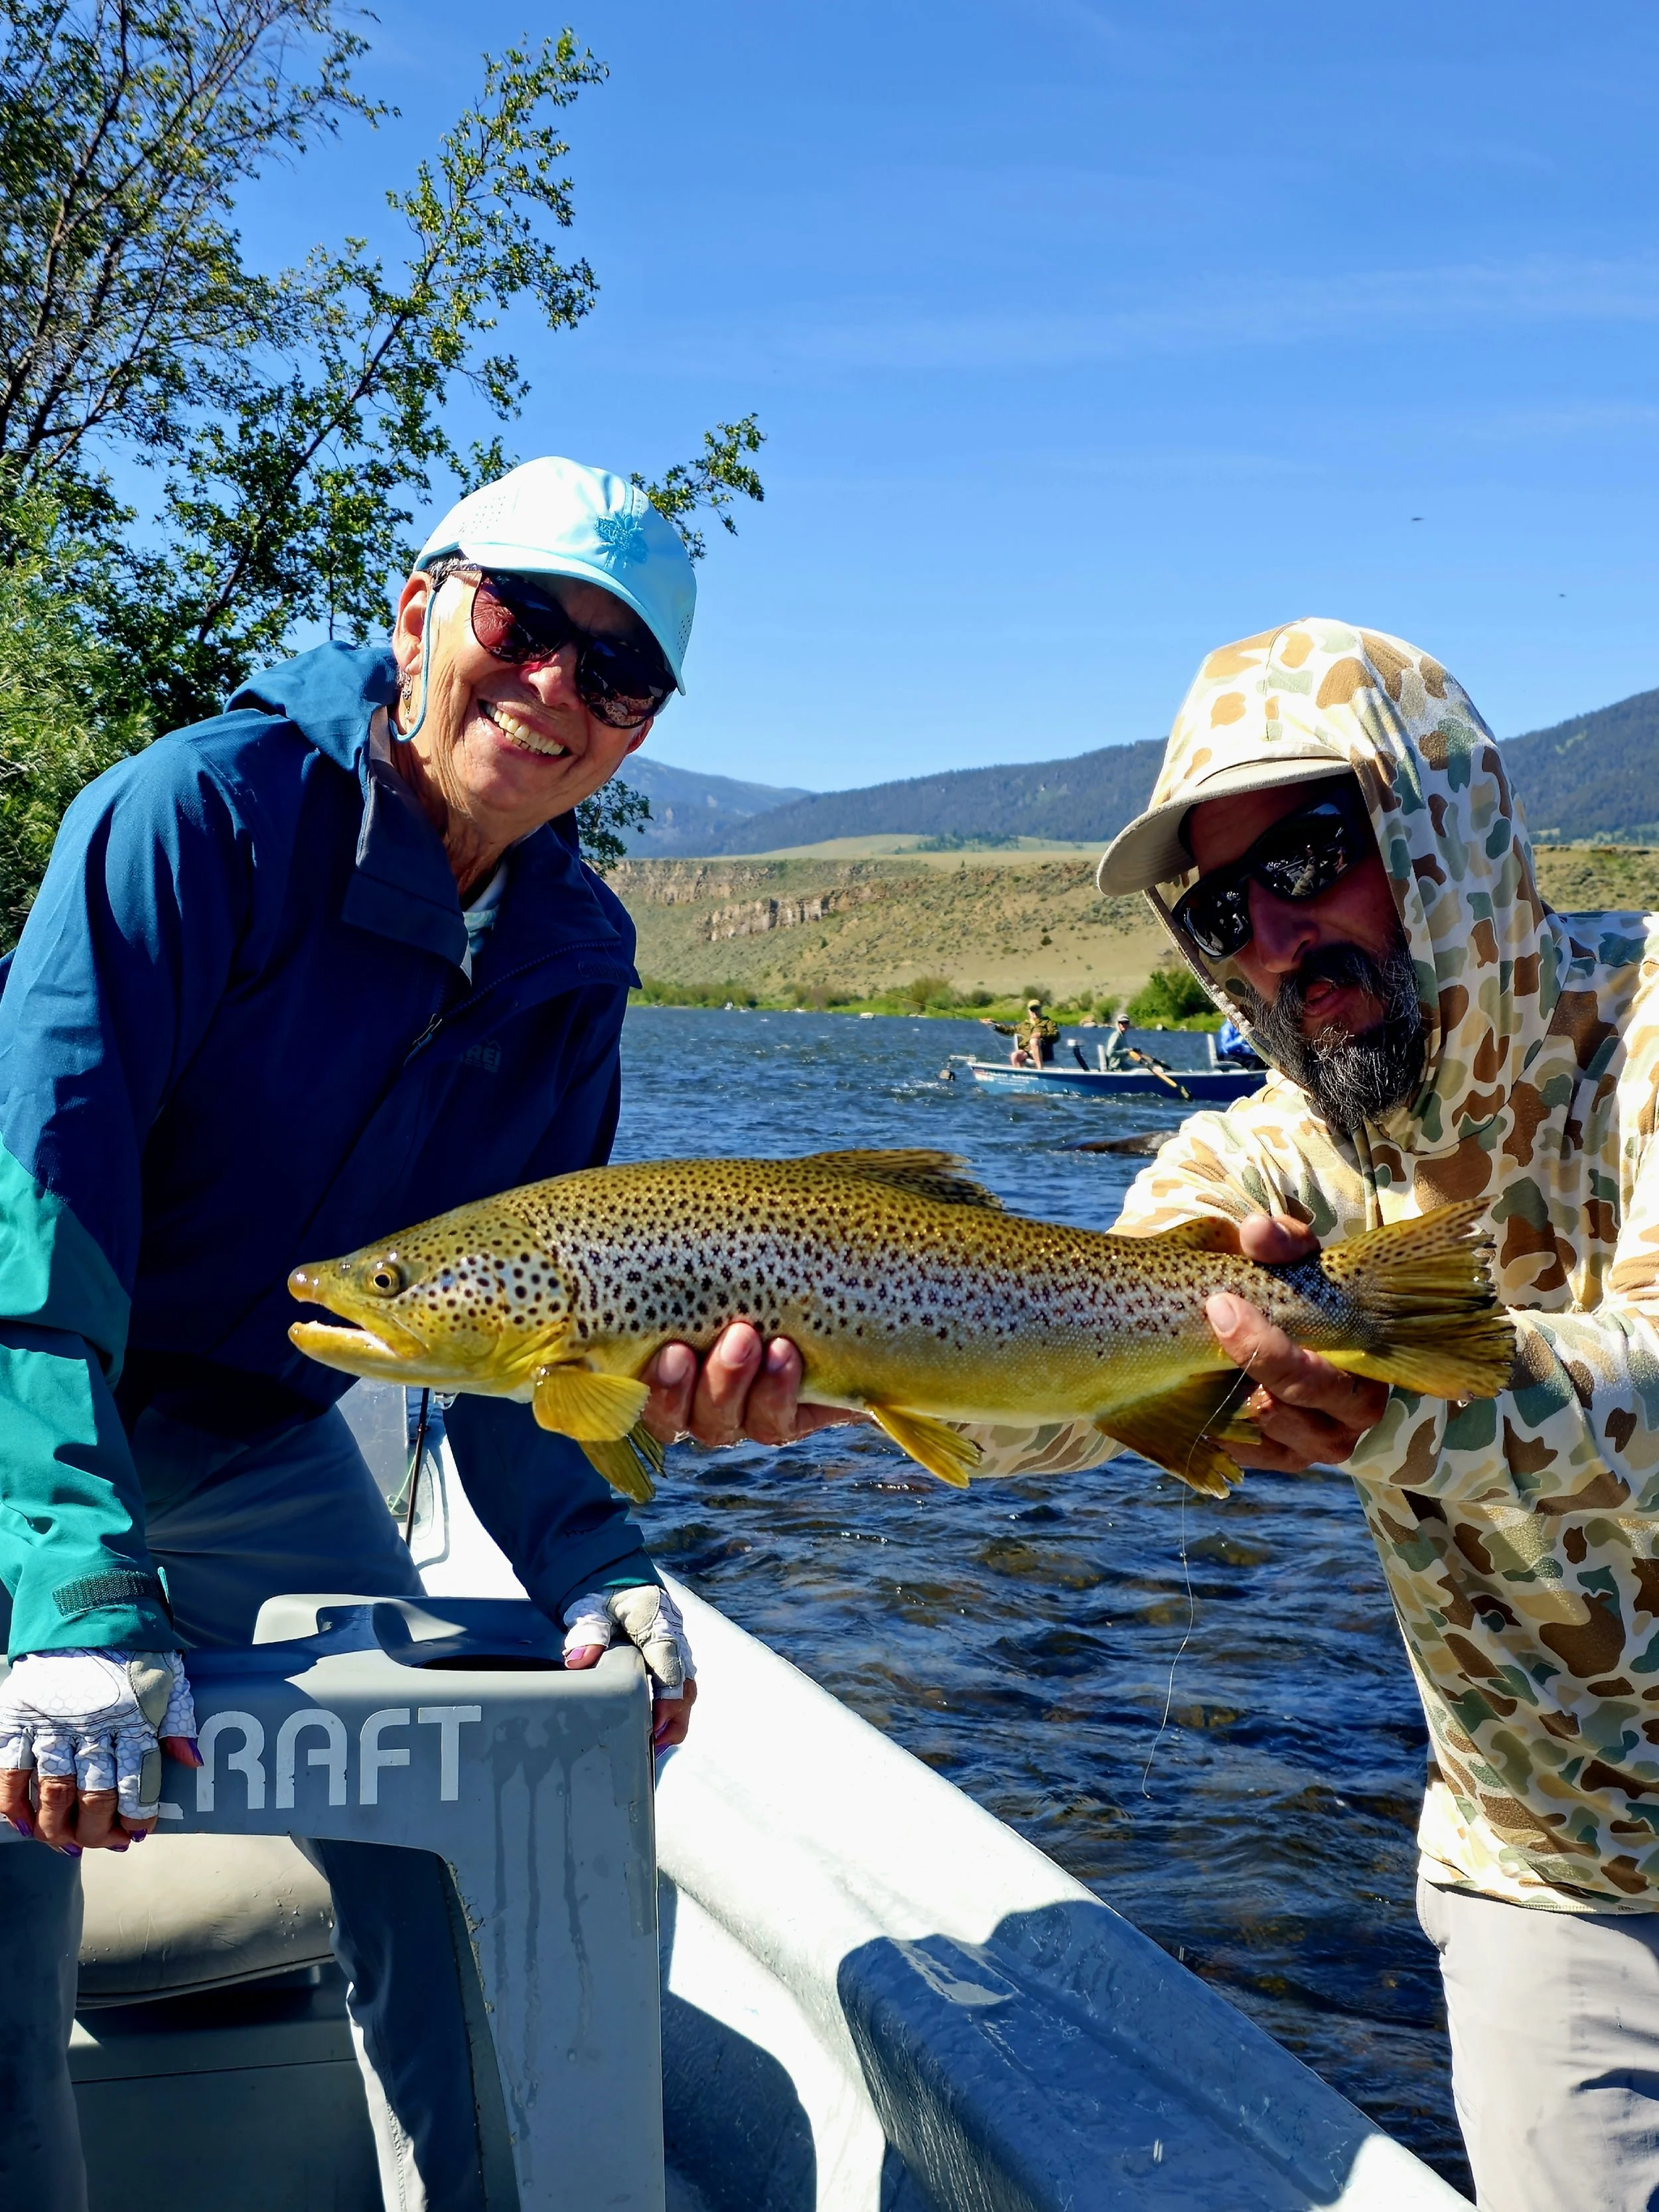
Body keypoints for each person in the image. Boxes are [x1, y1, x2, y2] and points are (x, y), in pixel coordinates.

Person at [0, 457, 725, 2212]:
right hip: (30, 1412)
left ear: (638, 731)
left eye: (616, 671)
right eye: (524, 619)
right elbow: (36, 1239)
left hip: (259, 1430)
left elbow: (529, 1334)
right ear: (418, 609)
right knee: (13, 1869)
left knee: (446, 1860)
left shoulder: (567, 953)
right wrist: (77, 1595)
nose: (556, 686)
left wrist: (589, 1549)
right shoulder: (191, 819)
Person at [1073, 619, 1659, 2212]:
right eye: (1220, 908)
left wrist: (1397, 1406)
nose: (1272, 934)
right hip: (1553, 1884)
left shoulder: (1649, 1039)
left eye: (1315, 854)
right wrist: (834, 1378)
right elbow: (1067, 1363)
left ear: (1441, 828)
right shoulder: (1262, 1161)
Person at [983, 997, 1060, 1065]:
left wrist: (1041, 1034)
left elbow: (1056, 1036)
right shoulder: (1023, 1025)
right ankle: (1020, 1077)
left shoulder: (1048, 1022)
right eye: (1032, 1010)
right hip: (1027, 1052)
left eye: (1036, 1009)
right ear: (1029, 1011)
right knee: (1014, 1056)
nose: (1034, 1012)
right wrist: (993, 1023)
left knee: (1034, 1041)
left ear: (1041, 1009)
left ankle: (1040, 1069)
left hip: (1043, 1052)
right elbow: (1009, 1030)